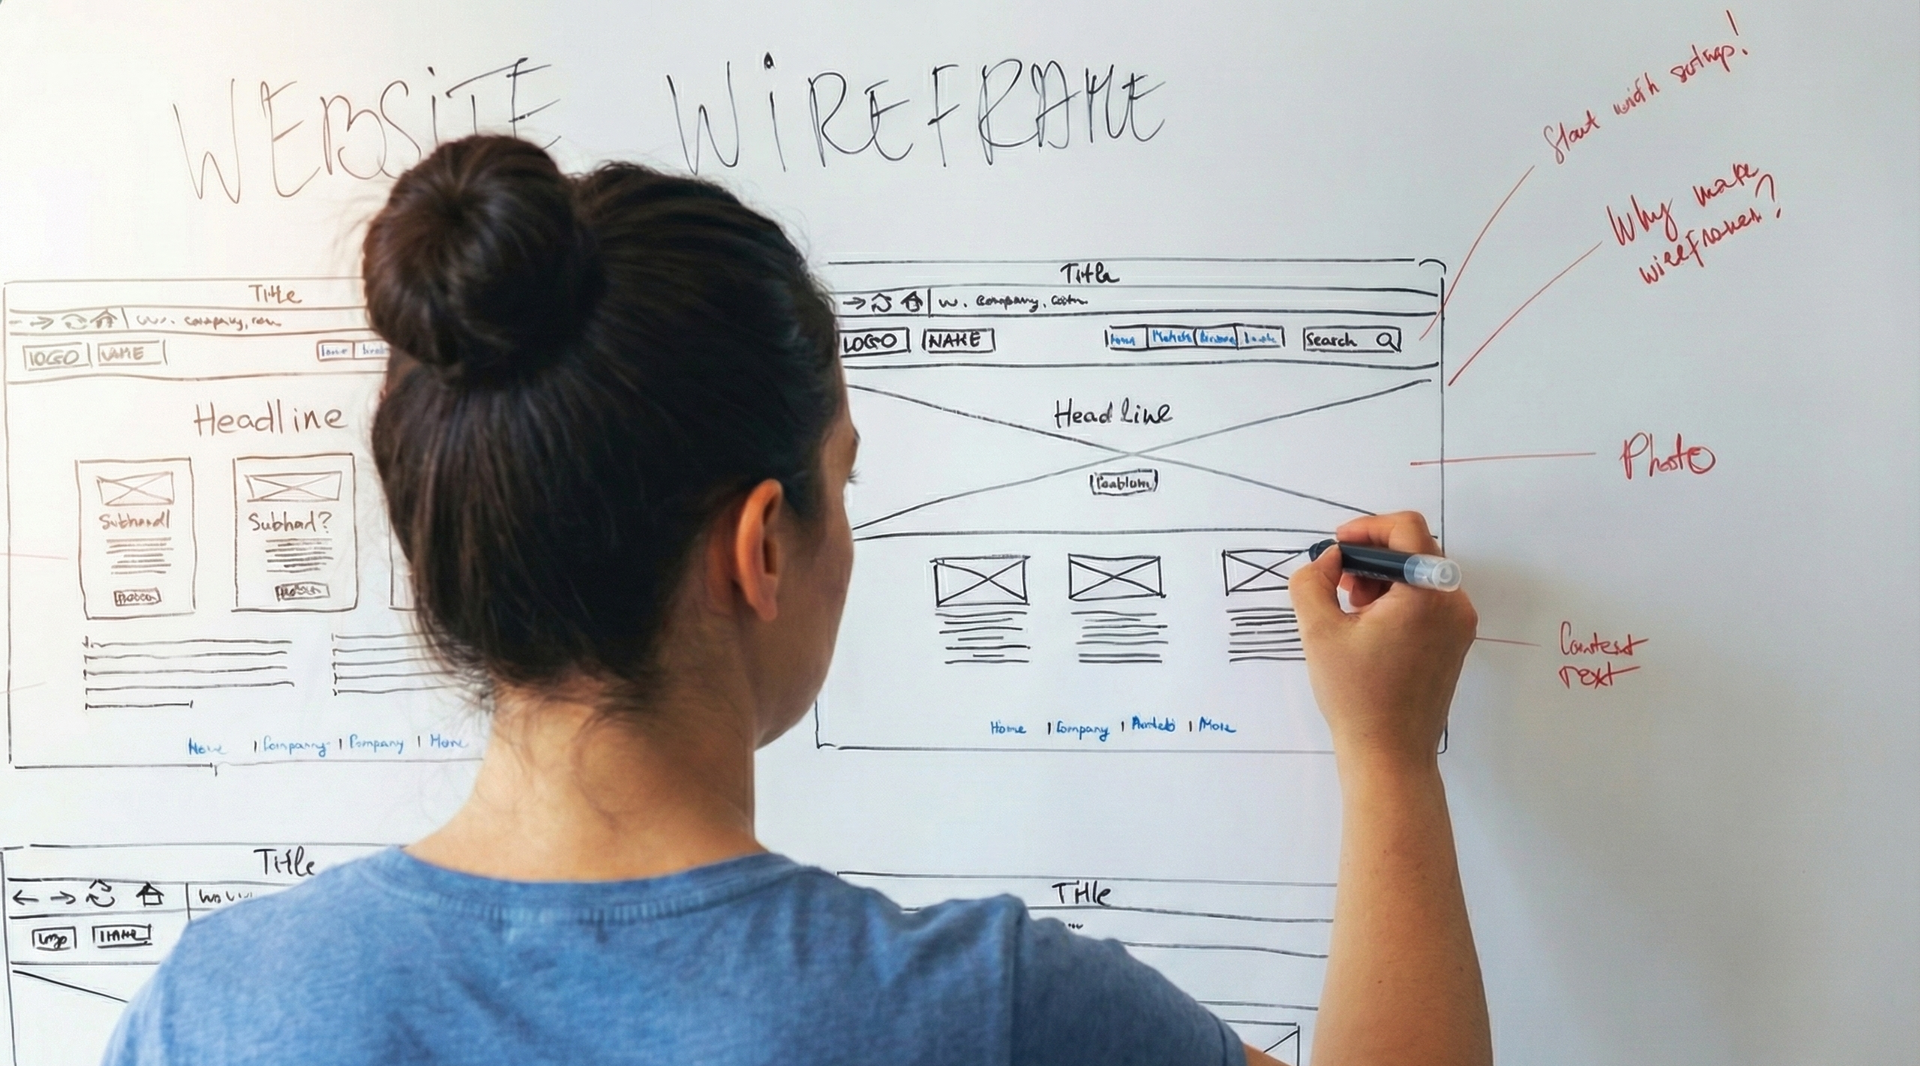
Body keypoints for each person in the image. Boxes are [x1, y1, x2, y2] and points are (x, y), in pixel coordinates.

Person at [102, 135, 1490, 1066]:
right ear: (761, 545)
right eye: (847, 478)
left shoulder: (217, 1005)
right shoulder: (980, 1011)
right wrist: (1390, 754)